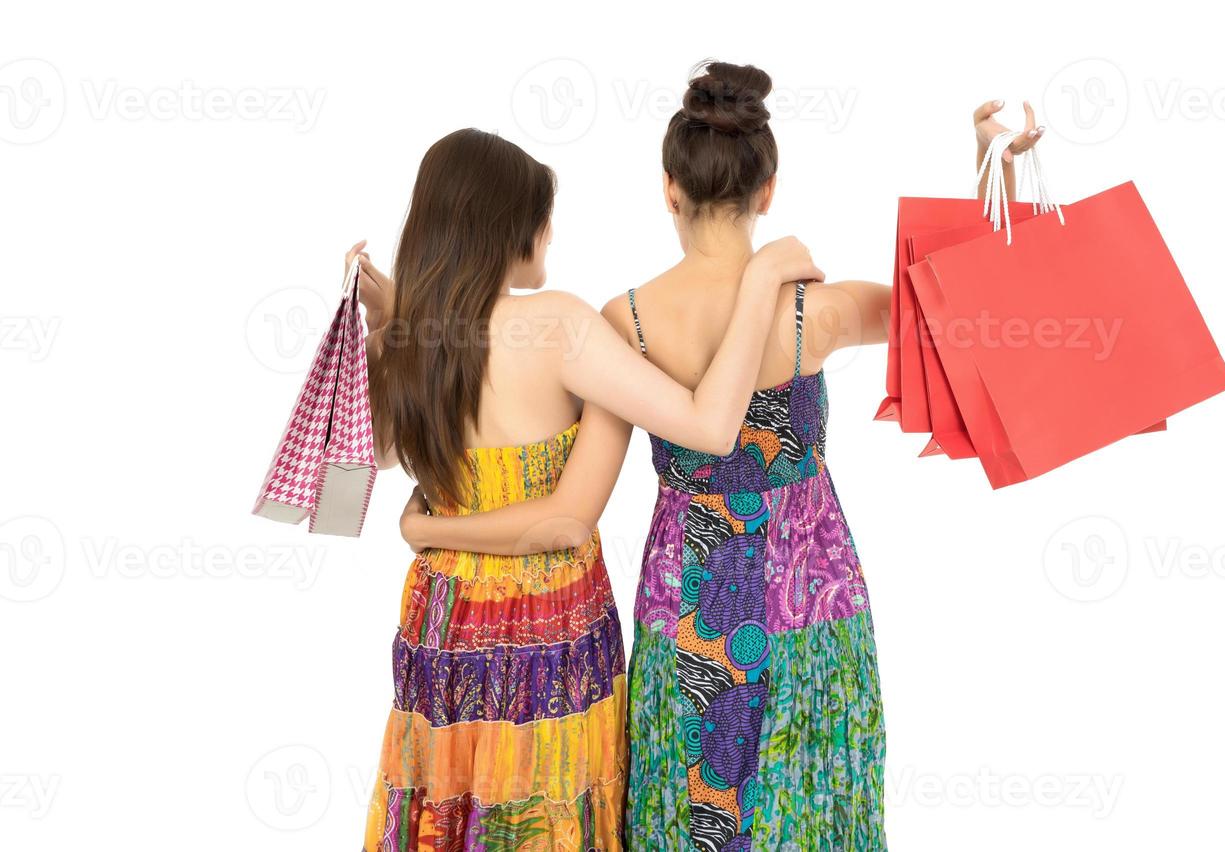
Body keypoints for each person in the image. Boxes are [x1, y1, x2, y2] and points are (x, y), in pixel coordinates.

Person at [398, 63, 1045, 850]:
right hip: (808, 589)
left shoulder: (622, 320)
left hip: (685, 600)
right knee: (806, 793)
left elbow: (535, 415)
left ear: (668, 189)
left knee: (684, 802)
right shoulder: (819, 310)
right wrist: (992, 174)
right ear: (767, 191)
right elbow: (959, 305)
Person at [351, 126, 822, 851]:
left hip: (439, 623)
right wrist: (759, 282)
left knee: (447, 803)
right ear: (509, 226)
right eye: (541, 215)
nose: (548, 232)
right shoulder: (561, 326)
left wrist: (386, 328)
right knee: (550, 812)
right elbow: (691, 437)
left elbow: (377, 455)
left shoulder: (411, 340)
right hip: (550, 629)